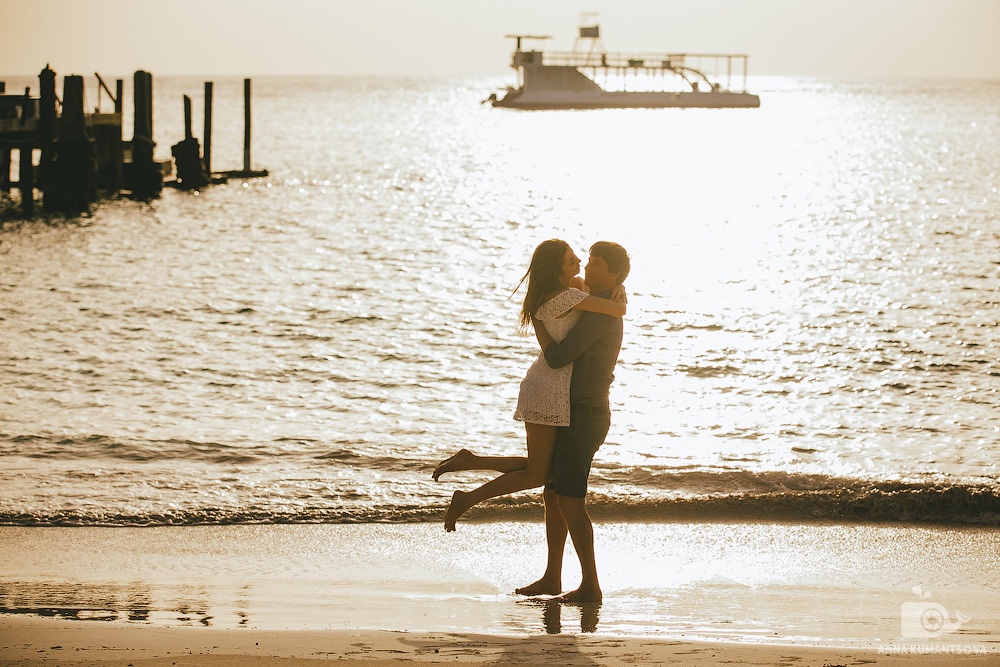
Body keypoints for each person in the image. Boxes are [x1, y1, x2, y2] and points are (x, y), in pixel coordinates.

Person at [433, 239, 626, 532]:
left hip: (552, 388)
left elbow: (593, 290)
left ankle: (470, 462)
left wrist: (618, 284)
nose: (580, 263)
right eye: (572, 260)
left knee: (545, 470)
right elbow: (617, 310)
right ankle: (467, 498)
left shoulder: (570, 288)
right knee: (539, 474)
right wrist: (619, 293)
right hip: (547, 387)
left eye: (582, 259)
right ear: (557, 270)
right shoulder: (568, 297)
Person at [515, 241, 630, 603]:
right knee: (552, 493)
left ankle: (590, 586)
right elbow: (572, 290)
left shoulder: (599, 316)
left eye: (597, 264)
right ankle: (552, 577)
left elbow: (559, 356)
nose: (587, 267)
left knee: (569, 500)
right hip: (574, 411)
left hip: (585, 415)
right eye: (588, 261)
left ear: (614, 274)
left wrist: (541, 329)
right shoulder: (591, 301)